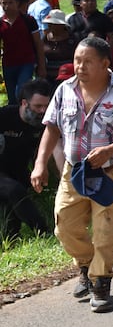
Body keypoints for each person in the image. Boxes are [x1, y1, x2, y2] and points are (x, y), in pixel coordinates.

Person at [31, 37, 113, 312]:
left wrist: (111, 150)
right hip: (75, 171)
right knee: (65, 226)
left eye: (87, 61)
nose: (80, 67)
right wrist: (40, 164)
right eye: (77, 60)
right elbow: (52, 128)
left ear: (105, 64)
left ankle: (100, 282)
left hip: (112, 172)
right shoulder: (64, 90)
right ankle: (86, 265)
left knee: (105, 230)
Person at [1, 79, 53, 239]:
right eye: (38, 106)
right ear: (24, 103)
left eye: (46, 106)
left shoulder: (46, 124)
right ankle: (44, 233)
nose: (43, 111)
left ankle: (10, 239)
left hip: (19, 173)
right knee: (14, 190)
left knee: (11, 220)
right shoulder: (4, 116)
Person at [2, 0, 47, 100]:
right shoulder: (1, 23)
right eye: (4, 3)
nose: (7, 6)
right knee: (12, 97)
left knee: (21, 92)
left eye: (10, 2)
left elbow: (38, 43)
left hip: (26, 63)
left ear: (17, 3)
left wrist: (41, 66)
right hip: (8, 64)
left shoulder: (29, 20)